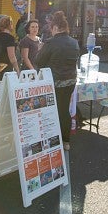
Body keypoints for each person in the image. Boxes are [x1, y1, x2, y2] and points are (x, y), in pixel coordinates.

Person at [35, 11, 79, 150]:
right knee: (64, 110)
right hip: (71, 81)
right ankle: (66, 141)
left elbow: (39, 61)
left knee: (50, 111)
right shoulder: (74, 42)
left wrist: (40, 49)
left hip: (54, 82)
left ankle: (52, 140)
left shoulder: (51, 42)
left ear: (54, 28)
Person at [0, 15, 19, 81]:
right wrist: (17, 70)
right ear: (10, 24)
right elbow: (12, 57)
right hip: (6, 66)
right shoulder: (10, 38)